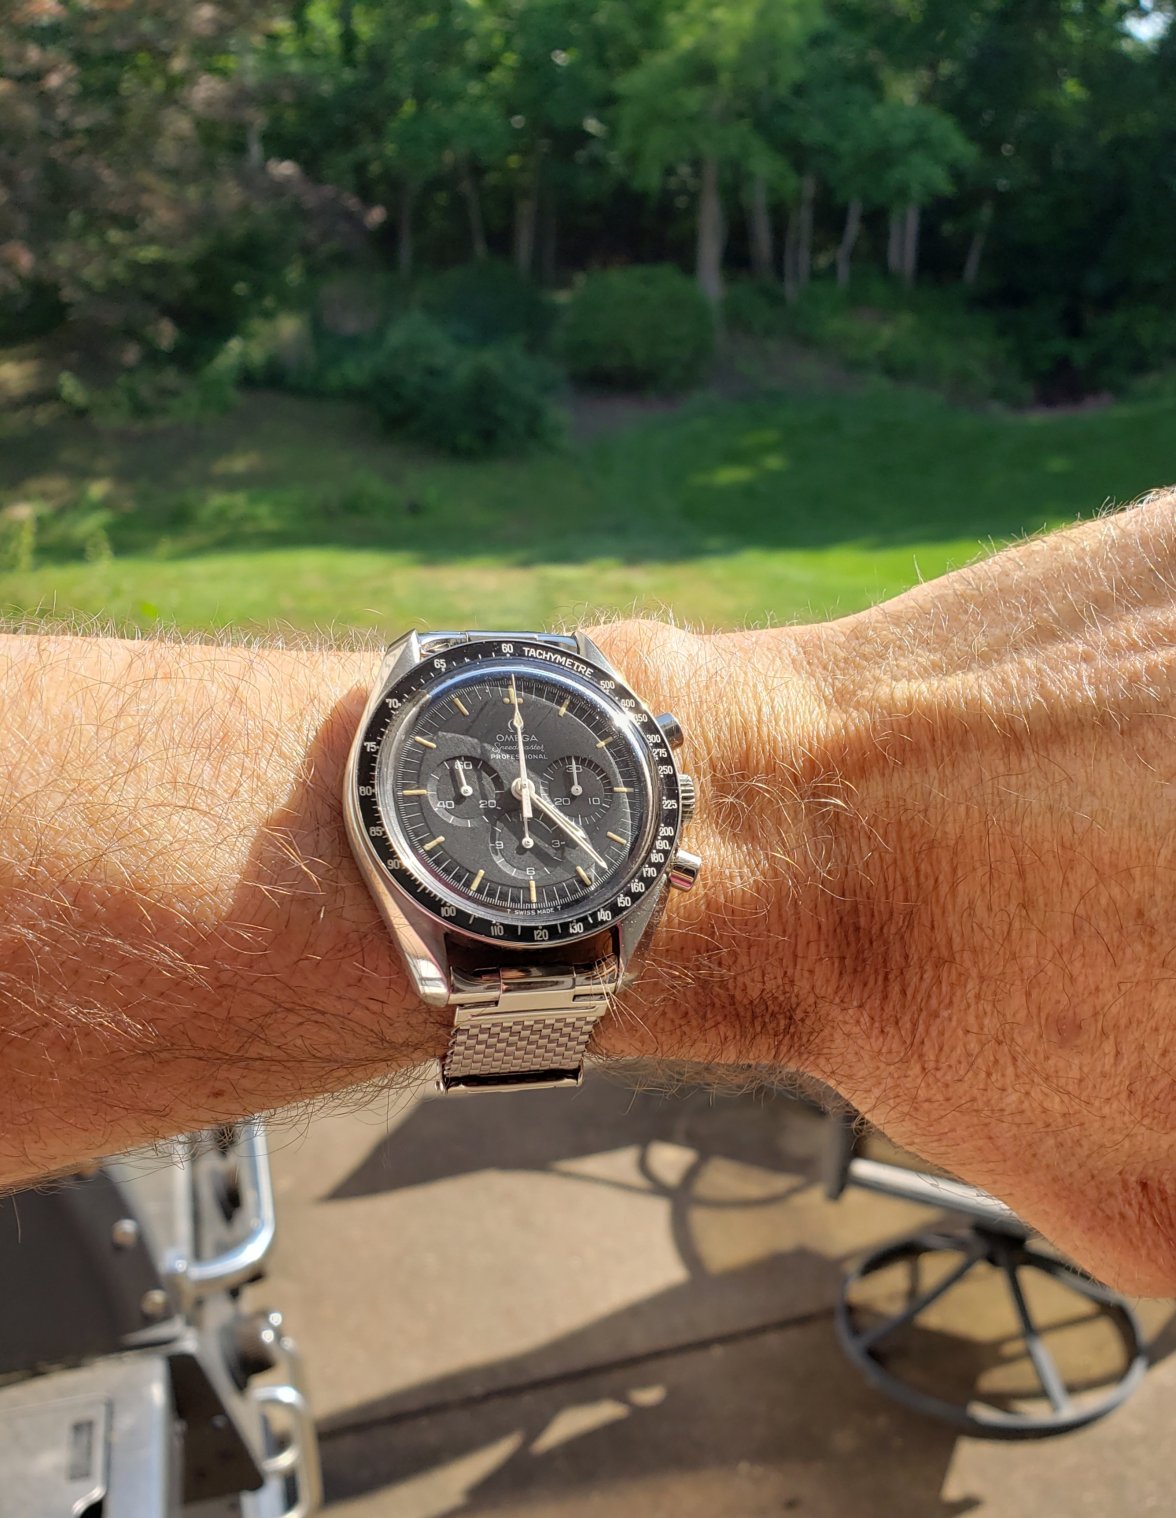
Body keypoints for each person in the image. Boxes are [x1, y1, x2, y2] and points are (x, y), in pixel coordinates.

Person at [2, 490, 1175, 1297]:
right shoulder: (400, 797)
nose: (520, 790)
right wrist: (811, 858)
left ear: (665, 788)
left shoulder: (632, 792)